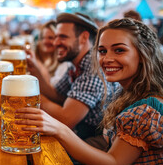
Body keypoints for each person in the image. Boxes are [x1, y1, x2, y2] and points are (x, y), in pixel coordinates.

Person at [16, 18, 163, 165]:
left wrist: (59, 129)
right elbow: (57, 95)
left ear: (144, 54)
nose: (107, 59)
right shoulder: (129, 92)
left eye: (119, 50)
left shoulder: (145, 110)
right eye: (102, 51)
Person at [27, 12, 118, 141]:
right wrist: (35, 72)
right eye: (56, 37)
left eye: (63, 37)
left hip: (94, 142)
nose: (56, 42)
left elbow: (66, 119)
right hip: (77, 136)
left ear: (83, 38)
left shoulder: (93, 68)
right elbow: (56, 95)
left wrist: (33, 97)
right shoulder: (74, 64)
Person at [32, 20, 69, 86]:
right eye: (43, 38)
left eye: (50, 38)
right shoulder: (46, 58)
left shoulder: (63, 62)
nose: (45, 41)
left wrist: (36, 60)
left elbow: (49, 89)